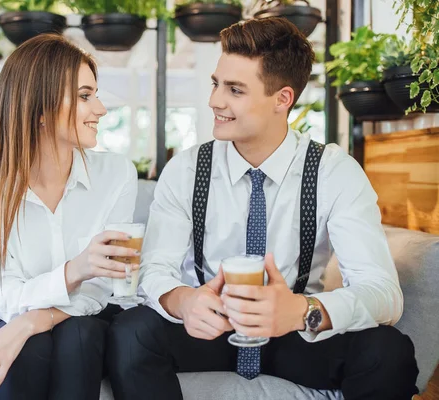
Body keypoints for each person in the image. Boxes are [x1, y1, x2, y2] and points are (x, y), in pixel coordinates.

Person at [106, 17, 419, 400]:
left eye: (235, 90)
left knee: (388, 351)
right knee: (131, 332)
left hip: (291, 334)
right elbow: (155, 269)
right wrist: (184, 300)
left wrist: (303, 311)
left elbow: (384, 292)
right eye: (216, 84)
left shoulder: (334, 172)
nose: (215, 101)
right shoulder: (187, 169)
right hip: (208, 331)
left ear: (282, 99)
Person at [0, 34, 138, 400]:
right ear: (39, 109)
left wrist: (34, 321)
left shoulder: (117, 174)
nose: (100, 109)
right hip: (14, 311)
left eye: (95, 94)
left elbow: (103, 288)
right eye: (85, 96)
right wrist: (77, 270)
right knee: (25, 350)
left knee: (79, 336)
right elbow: (8, 300)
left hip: (90, 316)